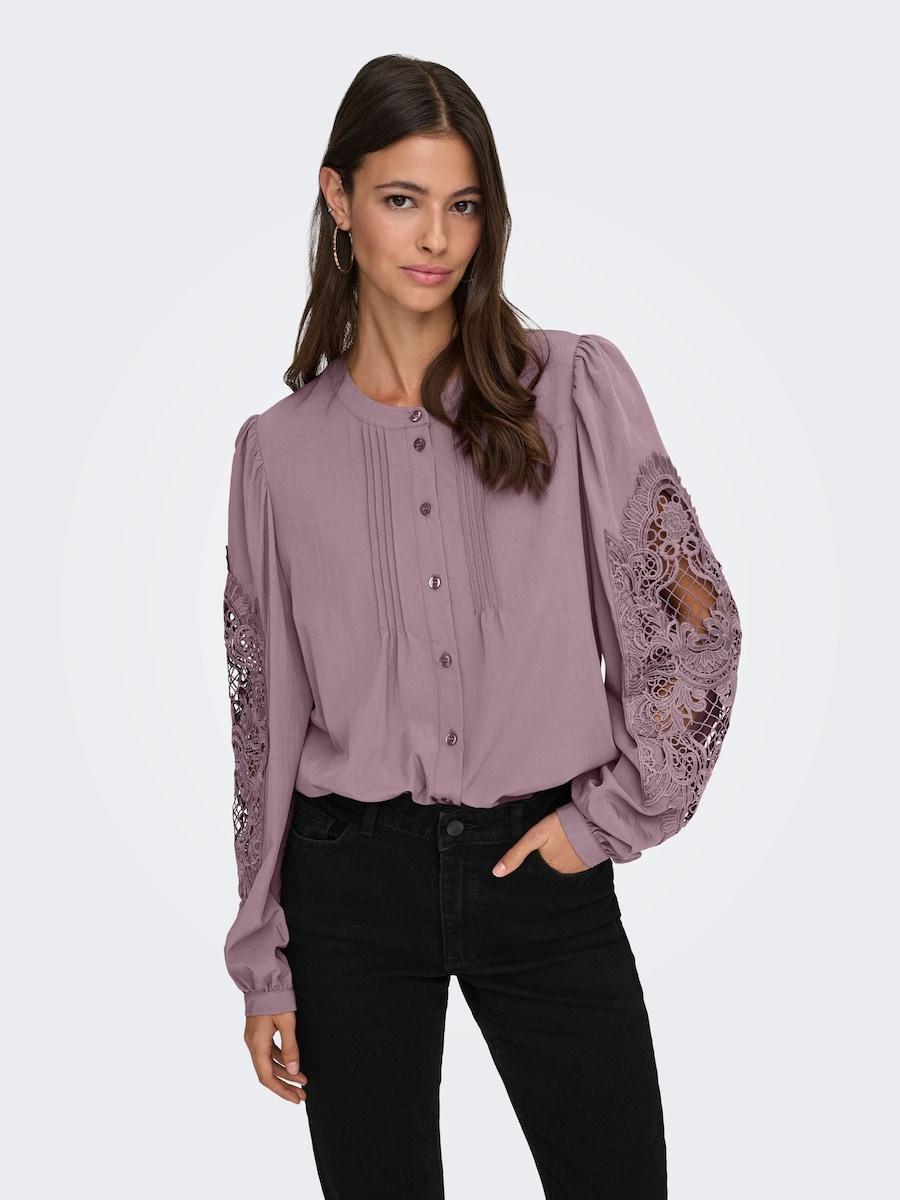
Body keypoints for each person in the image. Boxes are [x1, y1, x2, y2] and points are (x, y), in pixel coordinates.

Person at [221, 53, 742, 1200]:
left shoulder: (573, 389)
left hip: (540, 863)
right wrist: (266, 960)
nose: (435, 238)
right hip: (348, 889)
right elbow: (265, 723)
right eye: (402, 199)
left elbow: (694, 630)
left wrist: (602, 822)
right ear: (338, 198)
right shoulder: (277, 453)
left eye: (462, 205)